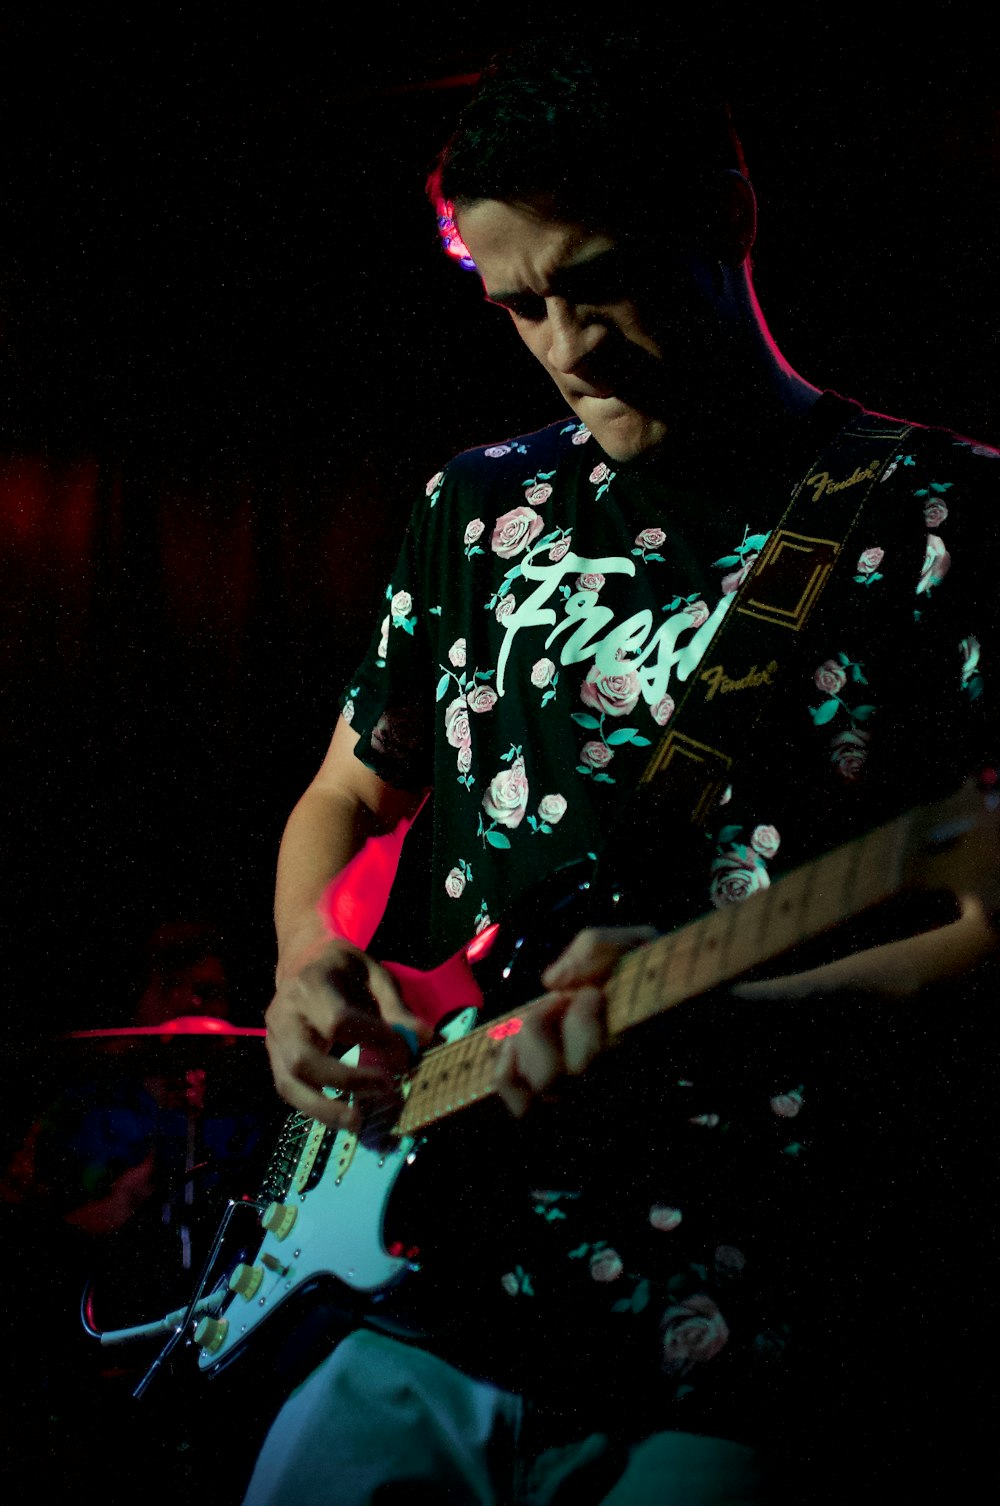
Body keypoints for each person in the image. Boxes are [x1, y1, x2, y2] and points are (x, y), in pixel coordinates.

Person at [251, 34, 1000, 1504]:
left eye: (599, 281)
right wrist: (301, 961)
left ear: (727, 219)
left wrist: (742, 1011)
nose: (567, 343)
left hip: (768, 1296)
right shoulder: (476, 507)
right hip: (430, 1271)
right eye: (519, 303)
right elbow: (351, 789)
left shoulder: (942, 517)